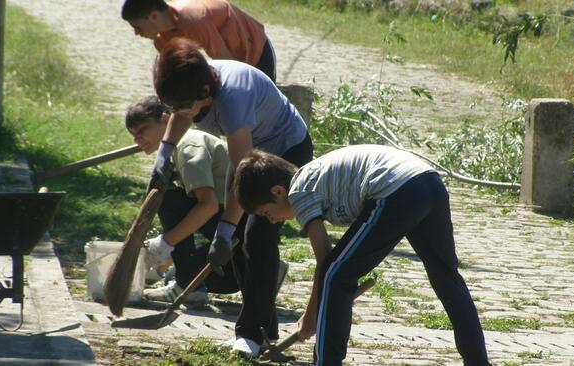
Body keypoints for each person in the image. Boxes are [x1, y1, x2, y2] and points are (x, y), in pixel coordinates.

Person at [232, 146, 492, 366]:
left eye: (267, 213)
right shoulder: (313, 178)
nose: (273, 220)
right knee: (447, 278)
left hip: (397, 188)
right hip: (427, 182)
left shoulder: (299, 190)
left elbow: (325, 262)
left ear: (278, 192)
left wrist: (313, 315)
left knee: (336, 273)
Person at [152, 37, 313, 356]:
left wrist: (223, 233)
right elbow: (181, 113)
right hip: (254, 153)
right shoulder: (196, 86)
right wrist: (164, 152)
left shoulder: (232, 98)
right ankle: (263, 330)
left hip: (286, 150)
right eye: (173, 107)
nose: (178, 113)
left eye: (182, 105)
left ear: (205, 93)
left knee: (255, 236)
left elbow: (243, 176)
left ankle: (250, 334)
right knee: (240, 232)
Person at [125, 95, 241, 304]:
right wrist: (165, 259)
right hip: (231, 259)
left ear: (166, 118)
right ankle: (185, 279)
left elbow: (208, 206)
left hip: (236, 239)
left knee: (167, 198)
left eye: (142, 131)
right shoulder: (178, 150)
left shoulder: (188, 146)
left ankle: (187, 284)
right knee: (172, 196)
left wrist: (166, 242)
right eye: (134, 136)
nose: (138, 140)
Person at [121, 0, 277, 82]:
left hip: (255, 46)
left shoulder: (194, 20)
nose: (136, 33)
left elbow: (230, 67)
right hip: (231, 54)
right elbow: (180, 74)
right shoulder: (161, 40)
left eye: (138, 27)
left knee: (265, 106)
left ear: (154, 16)